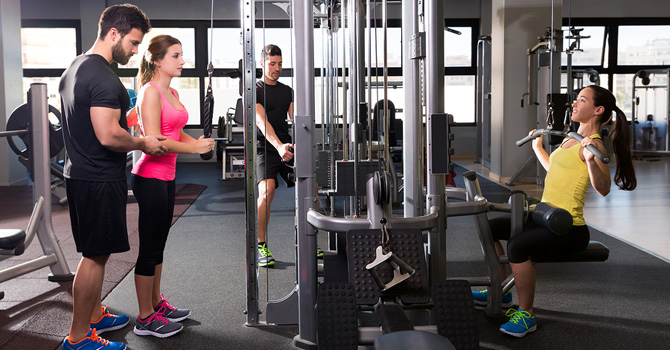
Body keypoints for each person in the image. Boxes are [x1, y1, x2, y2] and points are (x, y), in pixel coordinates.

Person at [472, 85, 637, 337]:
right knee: (490, 227)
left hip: (568, 228)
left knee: (517, 246)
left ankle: (526, 314)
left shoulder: (593, 146)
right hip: (545, 217)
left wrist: (593, 163)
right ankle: (500, 290)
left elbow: (603, 189)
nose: (574, 103)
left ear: (598, 110)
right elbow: (557, 172)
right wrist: (538, 148)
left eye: (581, 100)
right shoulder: (571, 139)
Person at [59, 4, 164, 350]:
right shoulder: (103, 76)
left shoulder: (75, 66)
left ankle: (94, 316)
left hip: (79, 174)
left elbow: (92, 126)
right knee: (95, 256)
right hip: (100, 179)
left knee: (93, 252)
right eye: (134, 43)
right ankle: (78, 339)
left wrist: (126, 118)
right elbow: (108, 135)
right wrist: (143, 142)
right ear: (114, 34)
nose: (136, 52)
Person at [131, 34, 214, 338]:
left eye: (182, 56)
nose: (182, 61)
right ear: (157, 60)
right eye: (176, 56)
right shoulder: (150, 92)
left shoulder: (173, 92)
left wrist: (200, 144)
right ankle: (144, 318)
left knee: (159, 246)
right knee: (149, 247)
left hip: (166, 178)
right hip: (149, 176)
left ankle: (156, 305)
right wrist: (193, 150)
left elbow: (177, 131)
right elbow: (156, 141)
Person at [255, 44, 295, 267]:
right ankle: (261, 245)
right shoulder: (256, 89)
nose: (277, 68)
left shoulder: (287, 90)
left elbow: (295, 117)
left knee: (312, 188)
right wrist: (279, 146)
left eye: (280, 64)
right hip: (265, 147)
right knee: (266, 191)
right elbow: (262, 122)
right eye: (272, 64)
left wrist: (295, 144)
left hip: (286, 145)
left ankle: (312, 241)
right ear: (262, 64)